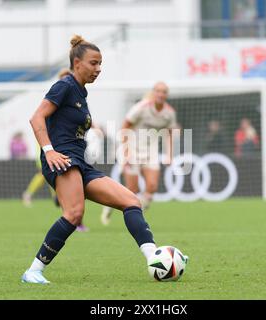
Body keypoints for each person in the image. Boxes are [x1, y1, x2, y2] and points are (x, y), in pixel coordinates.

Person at [21, 35, 176, 284]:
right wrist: (49, 150)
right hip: (62, 160)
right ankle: (33, 271)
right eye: (94, 63)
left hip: (79, 163)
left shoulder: (80, 93)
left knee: (131, 201)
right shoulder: (65, 85)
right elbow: (36, 118)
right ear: (77, 63)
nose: (98, 69)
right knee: (74, 213)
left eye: (100, 63)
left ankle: (154, 258)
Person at [22, 67, 90, 232]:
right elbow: (39, 120)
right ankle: (33, 195)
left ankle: (70, 213)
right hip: (51, 148)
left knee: (73, 180)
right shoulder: (57, 96)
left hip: (71, 149)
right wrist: (48, 149)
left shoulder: (78, 100)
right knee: (59, 176)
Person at [100, 82, 178, 226]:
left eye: (164, 92)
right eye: (158, 91)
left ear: (166, 95)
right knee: (132, 190)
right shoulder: (141, 108)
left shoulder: (169, 113)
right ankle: (110, 205)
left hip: (151, 151)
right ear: (153, 93)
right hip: (132, 149)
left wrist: (170, 154)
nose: (161, 94)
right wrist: (126, 151)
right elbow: (125, 127)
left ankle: (137, 215)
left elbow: (170, 132)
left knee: (152, 186)